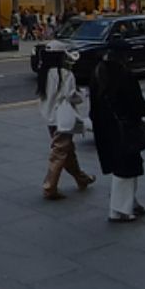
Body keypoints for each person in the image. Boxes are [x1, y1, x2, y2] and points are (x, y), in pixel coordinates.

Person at [90, 45, 145, 222]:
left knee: (122, 167)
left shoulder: (98, 74)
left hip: (106, 129)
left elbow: (93, 109)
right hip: (126, 129)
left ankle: (129, 203)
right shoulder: (125, 76)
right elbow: (137, 105)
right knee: (127, 169)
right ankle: (119, 209)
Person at [36, 43, 95, 200]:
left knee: (67, 151)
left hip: (50, 118)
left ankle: (82, 178)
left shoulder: (44, 73)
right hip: (63, 118)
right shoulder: (65, 73)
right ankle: (50, 187)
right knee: (60, 152)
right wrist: (81, 96)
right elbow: (71, 95)